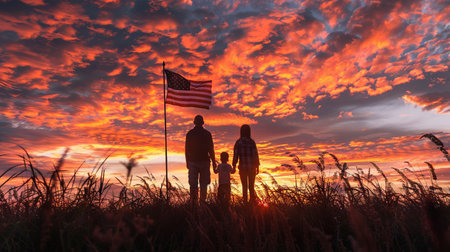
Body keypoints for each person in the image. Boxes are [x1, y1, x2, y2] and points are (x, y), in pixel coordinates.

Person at [185, 115, 217, 204]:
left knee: (193, 184)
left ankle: (194, 203)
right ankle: (202, 203)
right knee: (203, 184)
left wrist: (187, 161)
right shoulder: (207, 134)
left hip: (194, 161)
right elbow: (211, 149)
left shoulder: (190, 133)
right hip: (203, 162)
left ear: (194, 122)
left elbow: (187, 150)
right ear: (202, 123)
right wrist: (214, 162)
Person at [232, 124, 260, 203]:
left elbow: (235, 156)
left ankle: (245, 203)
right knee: (251, 186)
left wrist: (234, 166)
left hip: (242, 168)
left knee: (244, 186)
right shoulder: (251, 142)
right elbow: (255, 155)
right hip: (252, 168)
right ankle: (252, 202)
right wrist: (257, 167)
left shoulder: (238, 142)